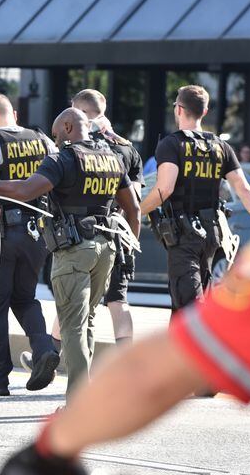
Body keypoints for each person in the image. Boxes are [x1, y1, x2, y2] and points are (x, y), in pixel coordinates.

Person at [0, 189, 250, 475]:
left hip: (100, 245)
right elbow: (239, 186)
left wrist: (49, 447)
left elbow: (156, 374)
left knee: (79, 313)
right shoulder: (206, 149)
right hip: (132, 244)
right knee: (112, 307)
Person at [0, 108, 140, 397]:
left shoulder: (64, 158)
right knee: (88, 320)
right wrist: (126, 253)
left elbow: (27, 190)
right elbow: (135, 210)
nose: (55, 141)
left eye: (57, 135)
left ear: (68, 126)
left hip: (74, 251)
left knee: (73, 327)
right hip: (106, 250)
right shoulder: (112, 157)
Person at [140, 85, 250, 312]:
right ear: (204, 111)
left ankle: (196, 344)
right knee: (184, 306)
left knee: (189, 308)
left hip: (183, 236)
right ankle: (181, 346)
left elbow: (165, 189)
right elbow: (244, 190)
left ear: (179, 109)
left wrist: (134, 211)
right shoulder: (221, 147)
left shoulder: (172, 144)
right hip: (212, 234)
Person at [0, 94, 59, 396]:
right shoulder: (44, 140)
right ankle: (44, 348)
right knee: (25, 298)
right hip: (37, 236)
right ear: (16, 115)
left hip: (0, 237)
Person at [72, 89, 144, 345]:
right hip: (120, 233)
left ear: (81, 114)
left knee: (72, 296)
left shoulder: (77, 147)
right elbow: (134, 201)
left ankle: (51, 357)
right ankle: (127, 364)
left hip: (84, 233)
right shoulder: (128, 149)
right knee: (118, 300)